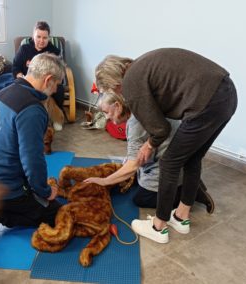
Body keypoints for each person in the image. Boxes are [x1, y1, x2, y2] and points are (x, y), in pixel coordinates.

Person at [94, 48, 237, 243]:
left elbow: (161, 129)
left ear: (115, 83)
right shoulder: (140, 66)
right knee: (193, 158)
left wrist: (149, 145)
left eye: (111, 91)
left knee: (169, 162)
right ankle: (181, 217)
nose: (118, 94)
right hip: (227, 93)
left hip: (207, 101)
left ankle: (158, 227)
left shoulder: (131, 83)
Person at [0, 53, 65, 245]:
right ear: (48, 79)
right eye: (57, 84)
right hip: (5, 189)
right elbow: (32, 160)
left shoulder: (3, 92)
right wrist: (45, 191)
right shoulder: (32, 109)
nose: (56, 89)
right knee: (56, 212)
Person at [84, 92, 214, 212]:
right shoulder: (142, 106)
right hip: (179, 159)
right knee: (129, 178)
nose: (106, 117)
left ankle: (189, 192)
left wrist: (105, 181)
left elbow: (133, 165)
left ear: (117, 106)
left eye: (107, 112)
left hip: (168, 166)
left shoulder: (135, 125)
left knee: (140, 198)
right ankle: (188, 184)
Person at [13, 21, 65, 130]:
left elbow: (58, 70)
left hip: (48, 82)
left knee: (59, 89)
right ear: (33, 36)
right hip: (28, 81)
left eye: (45, 38)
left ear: (49, 38)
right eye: (38, 37)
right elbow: (15, 67)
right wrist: (20, 77)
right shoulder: (24, 49)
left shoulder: (54, 51)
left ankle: (57, 118)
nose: (41, 41)